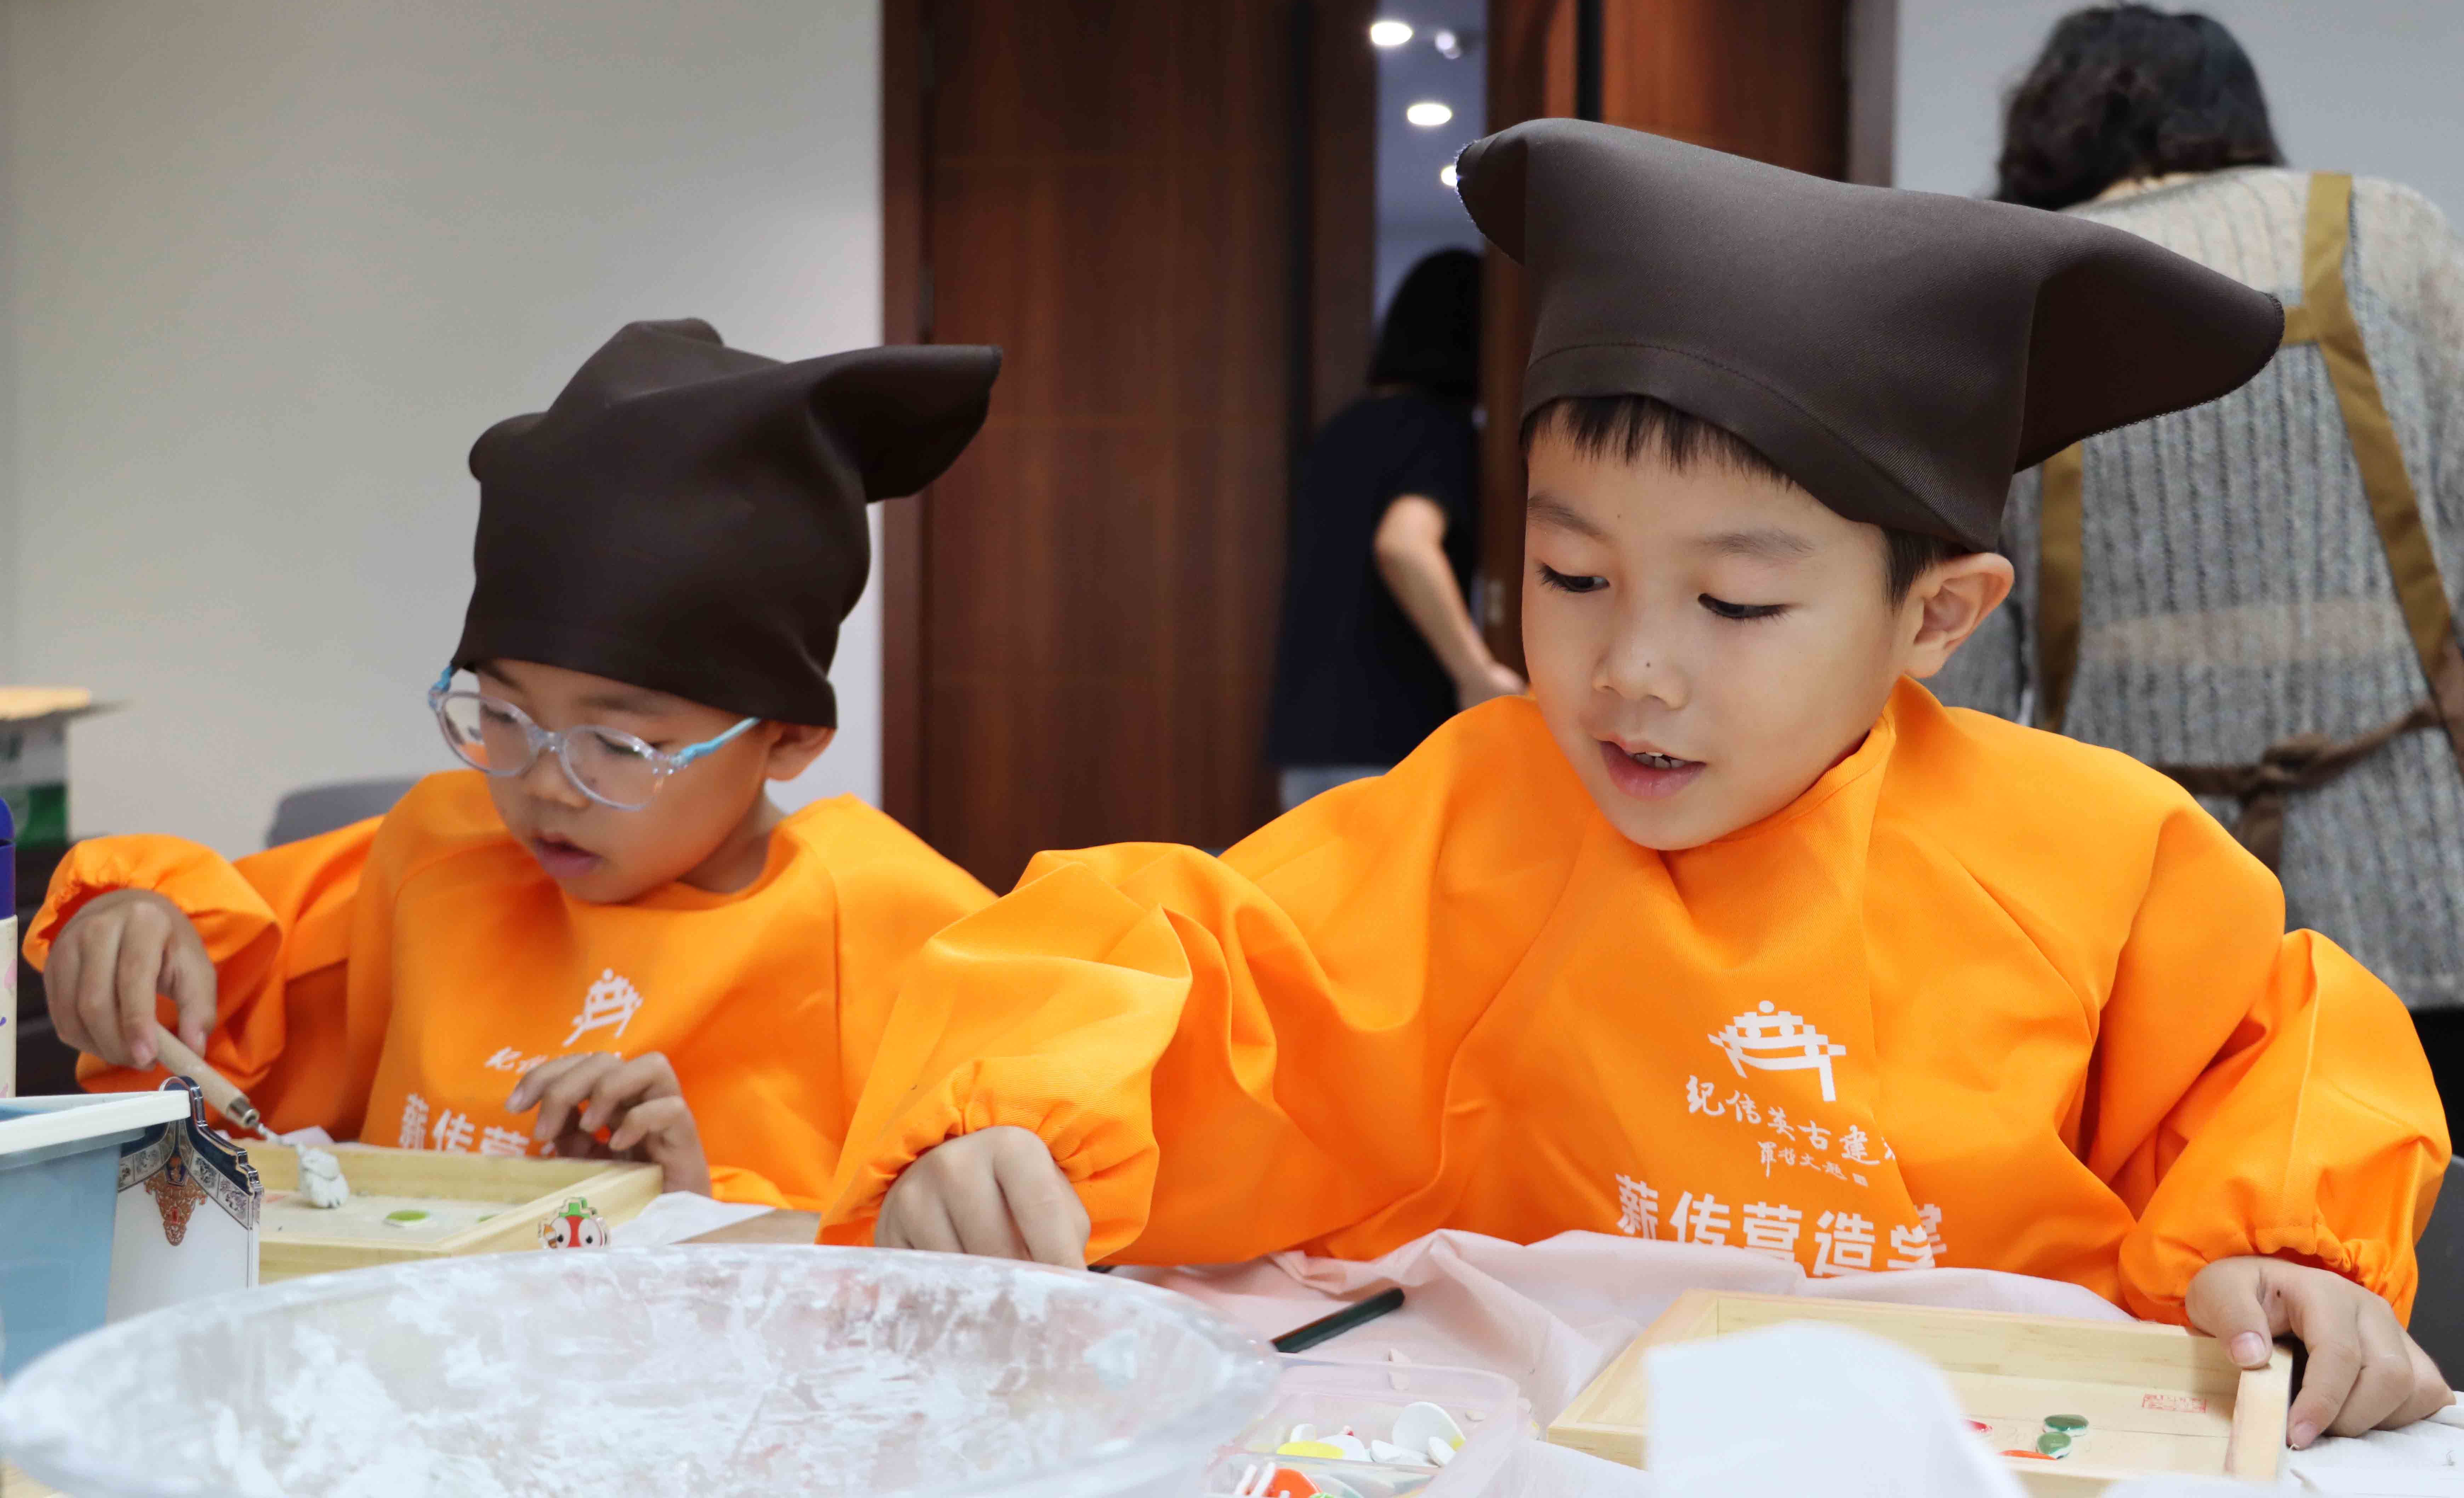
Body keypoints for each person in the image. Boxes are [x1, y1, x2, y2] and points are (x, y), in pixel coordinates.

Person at [827, 123, 2452, 1447]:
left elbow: (2278, 1052)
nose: (1633, 669)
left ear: (1937, 616)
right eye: (1570, 574)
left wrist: (2286, 1254)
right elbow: (1185, 955)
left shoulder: (2091, 854)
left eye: (1734, 602)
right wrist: (1008, 1114)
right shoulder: (1472, 819)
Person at [25, 321, 999, 1208]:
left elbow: (965, 1257)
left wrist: (692, 1212)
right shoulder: (444, 852)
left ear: (787, 736)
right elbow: (227, 986)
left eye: (619, 745)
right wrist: (134, 922)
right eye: (502, 716)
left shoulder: (897, 929)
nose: (540, 784)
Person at [1933, 1, 2464, 1125]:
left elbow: (1959, 678)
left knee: (2190, 1224)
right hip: (2424, 889)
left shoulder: (2021, 299)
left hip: (2142, 920)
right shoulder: (2384, 232)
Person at [1265, 249, 1523, 809]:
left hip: (1308, 742)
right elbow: (1404, 545)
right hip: (1388, 738)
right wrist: (1477, 674)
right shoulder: (1440, 431)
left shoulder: (1341, 432)